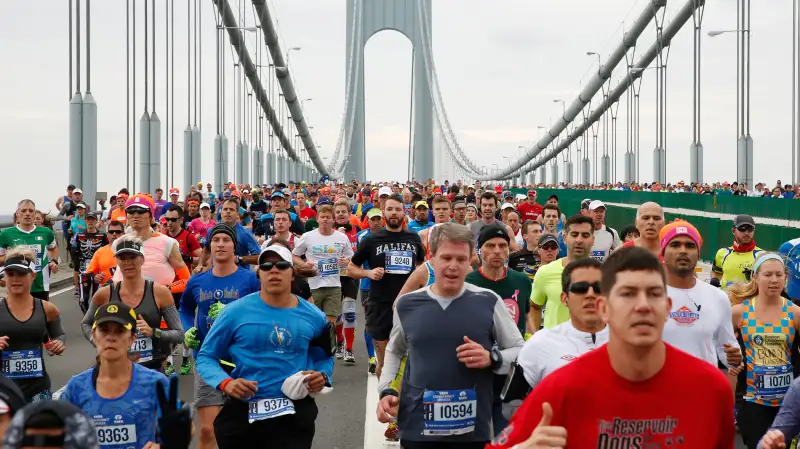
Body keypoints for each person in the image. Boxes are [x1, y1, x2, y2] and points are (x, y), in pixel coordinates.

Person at [487, 247, 735, 449]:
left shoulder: (711, 388)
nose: (642, 306)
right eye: (627, 294)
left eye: (654, 294)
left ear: (667, 307)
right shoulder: (563, 387)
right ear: (604, 308)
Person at [376, 223, 525, 448]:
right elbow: (394, 350)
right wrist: (386, 390)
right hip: (417, 427)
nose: (453, 266)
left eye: (461, 259)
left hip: (472, 430)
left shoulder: (488, 300)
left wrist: (492, 358)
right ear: (432, 258)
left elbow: (520, 351)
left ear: (470, 261)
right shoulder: (408, 304)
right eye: (446, 258)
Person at [196, 244, 334, 449]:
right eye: (267, 265)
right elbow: (206, 356)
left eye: (282, 265)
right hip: (243, 413)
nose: (274, 270)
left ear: (292, 274)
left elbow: (325, 356)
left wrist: (322, 376)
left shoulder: (315, 316)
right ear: (259, 273)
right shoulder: (234, 312)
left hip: (293, 415)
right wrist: (226, 383)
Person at [180, 224, 260, 449]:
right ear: (209, 245)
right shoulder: (197, 281)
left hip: (242, 361)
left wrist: (233, 316)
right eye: (216, 240)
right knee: (208, 430)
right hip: (208, 358)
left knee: (243, 429)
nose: (221, 244)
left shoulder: (250, 280)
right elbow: (185, 309)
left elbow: (261, 311)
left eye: (226, 240)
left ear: (235, 246)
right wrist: (188, 330)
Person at [502, 258, 607, 418]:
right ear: (564, 299)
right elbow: (510, 406)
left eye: (599, 288)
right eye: (580, 288)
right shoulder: (539, 343)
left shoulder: (630, 343)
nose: (591, 295)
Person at [61, 302, 169, 449]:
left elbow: (180, 432)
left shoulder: (156, 383)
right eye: (104, 330)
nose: (111, 337)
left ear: (132, 339)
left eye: (119, 331)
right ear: (94, 335)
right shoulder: (76, 388)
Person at [465, 223, 533, 435]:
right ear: (479, 249)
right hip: (475, 372)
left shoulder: (521, 280)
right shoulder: (468, 282)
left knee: (509, 436)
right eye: (490, 245)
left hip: (512, 372)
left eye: (502, 245)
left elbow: (526, 313)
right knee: (474, 436)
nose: (497, 251)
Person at [348, 194, 426, 378]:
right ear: (384, 212)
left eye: (398, 209)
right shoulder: (372, 240)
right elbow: (351, 268)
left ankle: (404, 400)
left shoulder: (413, 238)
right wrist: (368, 273)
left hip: (409, 305)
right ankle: (385, 398)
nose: (394, 213)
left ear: (405, 213)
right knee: (384, 361)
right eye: (390, 209)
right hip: (380, 303)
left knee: (410, 358)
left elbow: (422, 267)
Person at [81, 236, 185, 372]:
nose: (127, 262)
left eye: (132, 257)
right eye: (122, 258)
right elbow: (86, 324)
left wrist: (154, 332)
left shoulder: (160, 292)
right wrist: (97, 341)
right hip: (115, 370)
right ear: (117, 261)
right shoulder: (104, 294)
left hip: (151, 370)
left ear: (142, 259)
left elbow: (179, 334)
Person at [730, 252, 800, 449]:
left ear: (786, 278)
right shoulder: (739, 312)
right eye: (768, 275)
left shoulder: (795, 313)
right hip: (752, 400)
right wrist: (732, 361)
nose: (774, 280)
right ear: (755, 277)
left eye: (779, 275)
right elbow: (720, 348)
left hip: (787, 403)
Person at [660, 220, 741, 368]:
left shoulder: (718, 297)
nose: (683, 250)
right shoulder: (646, 297)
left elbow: (727, 348)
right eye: (675, 244)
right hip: (658, 388)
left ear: (698, 254)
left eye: (690, 245)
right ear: (663, 253)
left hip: (704, 387)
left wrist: (734, 357)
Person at [0, 249, 66, 403]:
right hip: (3, 391)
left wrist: (59, 343)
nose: (15, 279)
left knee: (40, 427)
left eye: (22, 274)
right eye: (10, 274)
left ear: (33, 275)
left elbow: (59, 335)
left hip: (38, 390)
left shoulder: (47, 309)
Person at [531, 215, 595, 332]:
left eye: (585, 235)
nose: (579, 240)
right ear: (565, 238)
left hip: (590, 347)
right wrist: (535, 338)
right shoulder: (545, 272)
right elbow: (534, 306)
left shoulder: (604, 274)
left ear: (593, 240)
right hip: (554, 347)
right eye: (574, 235)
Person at [0, 200, 59, 301]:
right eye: (23, 211)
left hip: (40, 283)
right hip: (17, 283)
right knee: (18, 314)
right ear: (18, 214)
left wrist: (54, 261)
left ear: (34, 213)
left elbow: (53, 248)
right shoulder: (6, 234)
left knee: (41, 314)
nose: (27, 213)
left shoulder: (46, 232)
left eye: (31, 211)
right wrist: (13, 257)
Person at [714, 214, 764, 290]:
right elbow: (716, 273)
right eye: (742, 229)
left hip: (751, 301)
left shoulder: (762, 256)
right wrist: (714, 281)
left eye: (750, 229)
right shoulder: (722, 253)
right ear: (733, 231)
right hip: (727, 300)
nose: (746, 233)